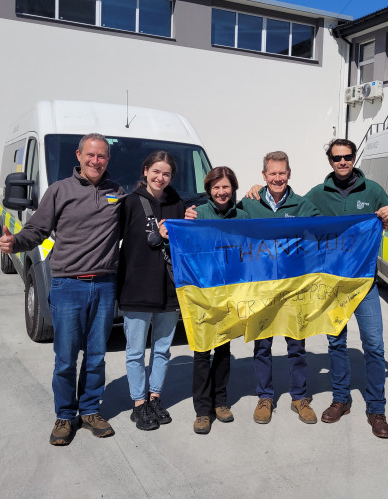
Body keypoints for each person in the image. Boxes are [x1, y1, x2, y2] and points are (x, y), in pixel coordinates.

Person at [0, 133, 125, 446]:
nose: (96, 161)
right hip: (69, 285)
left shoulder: (117, 192)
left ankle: (90, 410)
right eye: (91, 155)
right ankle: (65, 415)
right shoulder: (60, 190)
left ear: (108, 160)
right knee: (66, 359)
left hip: (106, 285)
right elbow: (37, 229)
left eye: (102, 156)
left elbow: (141, 219)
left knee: (96, 356)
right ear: (79, 156)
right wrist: (15, 242)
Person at [306, 138, 388, 439]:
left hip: (365, 283)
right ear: (330, 161)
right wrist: (257, 195)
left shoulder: (373, 191)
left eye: (347, 157)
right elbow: (289, 215)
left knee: (374, 345)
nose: (342, 162)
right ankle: (341, 399)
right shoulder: (317, 194)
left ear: (354, 158)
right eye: (337, 158)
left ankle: (376, 409)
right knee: (336, 343)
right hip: (333, 284)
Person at [238, 151, 321, 425]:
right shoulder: (250, 203)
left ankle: (299, 397)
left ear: (289, 174)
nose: (277, 178)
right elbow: (223, 221)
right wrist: (193, 217)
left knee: (296, 345)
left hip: (294, 288)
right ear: (263, 176)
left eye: (281, 173)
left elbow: (327, 230)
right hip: (260, 288)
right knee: (262, 346)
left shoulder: (302, 205)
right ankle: (265, 397)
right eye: (272, 173)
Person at [118, 151, 184, 431]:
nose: (160, 178)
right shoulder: (129, 203)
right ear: (145, 171)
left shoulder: (178, 205)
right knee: (135, 352)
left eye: (166, 174)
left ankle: (155, 397)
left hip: (169, 288)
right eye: (156, 171)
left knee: (162, 349)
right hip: (137, 287)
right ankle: (138, 404)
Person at [184, 166, 249, 434]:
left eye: (226, 187)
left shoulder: (243, 216)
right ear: (209, 190)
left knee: (223, 350)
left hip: (231, 293)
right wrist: (184, 222)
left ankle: (220, 402)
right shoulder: (196, 214)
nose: (221, 192)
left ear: (233, 188)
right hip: (202, 293)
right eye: (216, 187)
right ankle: (202, 410)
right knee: (202, 352)